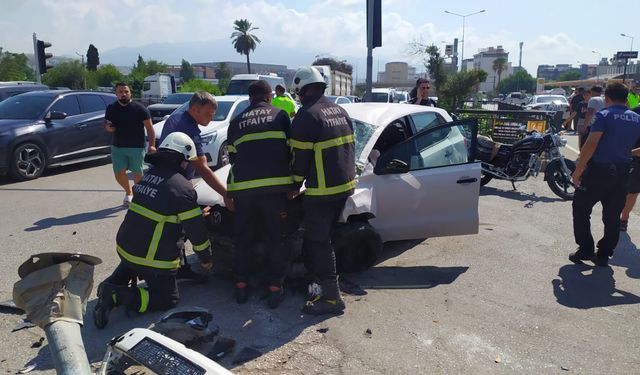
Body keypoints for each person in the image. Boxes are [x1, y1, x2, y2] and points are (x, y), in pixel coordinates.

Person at [93, 132, 213, 329]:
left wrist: (194, 212)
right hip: (151, 258)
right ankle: (119, 295)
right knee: (168, 299)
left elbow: (162, 208)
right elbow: (196, 232)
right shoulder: (183, 187)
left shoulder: (149, 176)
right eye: (187, 161)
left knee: (132, 263)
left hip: (126, 247)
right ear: (181, 160)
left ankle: (111, 284)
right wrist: (206, 258)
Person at [289, 66, 356, 315]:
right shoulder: (339, 109)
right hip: (345, 185)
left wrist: (294, 185)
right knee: (324, 237)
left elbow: (300, 158)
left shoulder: (307, 115)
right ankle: (318, 282)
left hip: (323, 190)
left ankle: (332, 299)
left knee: (318, 240)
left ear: (302, 90)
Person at [226, 80, 294, 308]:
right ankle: (275, 288)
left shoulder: (236, 122)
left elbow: (233, 157)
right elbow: (292, 151)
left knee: (243, 238)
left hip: (244, 191)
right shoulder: (281, 116)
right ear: (269, 96)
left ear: (249, 99)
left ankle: (241, 287)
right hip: (275, 190)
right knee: (276, 239)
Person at [569, 83, 640, 267]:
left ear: (607, 99)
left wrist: (578, 170)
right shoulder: (636, 118)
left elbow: (591, 144)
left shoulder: (604, 115)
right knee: (612, 215)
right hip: (623, 172)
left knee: (581, 208)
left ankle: (585, 249)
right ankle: (603, 255)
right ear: (626, 99)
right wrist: (629, 153)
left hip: (598, 172)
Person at [159, 91, 230, 207]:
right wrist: (225, 194)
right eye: (209, 114)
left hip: (160, 178)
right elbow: (202, 167)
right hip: (176, 185)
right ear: (195, 110)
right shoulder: (190, 130)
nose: (211, 118)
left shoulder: (175, 117)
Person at [104, 82, 156, 206]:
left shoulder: (140, 108)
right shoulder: (111, 108)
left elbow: (149, 128)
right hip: (118, 146)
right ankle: (128, 192)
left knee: (137, 173)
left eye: (126, 91)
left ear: (130, 93)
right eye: (120, 92)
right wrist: (109, 128)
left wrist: (152, 145)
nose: (124, 94)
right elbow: (107, 125)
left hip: (136, 147)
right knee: (118, 173)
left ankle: (138, 196)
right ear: (116, 93)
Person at [619, 106, 640, 231]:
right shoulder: (633, 112)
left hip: (632, 155)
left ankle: (623, 218)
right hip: (631, 159)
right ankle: (622, 217)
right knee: (630, 192)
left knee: (633, 193)